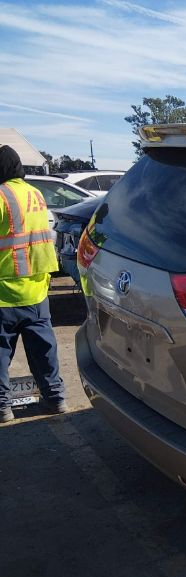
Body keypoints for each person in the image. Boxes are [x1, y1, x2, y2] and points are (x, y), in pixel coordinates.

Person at [0, 145, 66, 422]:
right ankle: (55, 399)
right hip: (37, 289)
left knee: (1, 354)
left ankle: (3, 407)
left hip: (4, 290)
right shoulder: (35, 194)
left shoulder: (1, 196)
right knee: (44, 350)